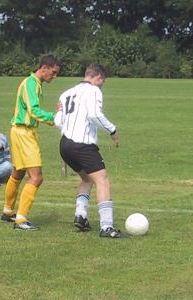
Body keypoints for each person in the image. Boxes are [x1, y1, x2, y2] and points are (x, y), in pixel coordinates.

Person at [54, 63, 123, 238]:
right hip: (82, 144)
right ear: (98, 77)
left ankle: (81, 216)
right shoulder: (93, 91)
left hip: (65, 145)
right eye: (102, 82)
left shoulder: (66, 93)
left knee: (86, 178)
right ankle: (107, 227)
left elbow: (58, 122)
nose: (101, 86)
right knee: (102, 181)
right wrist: (112, 130)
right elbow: (94, 115)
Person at [1, 54, 60, 230]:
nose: (55, 77)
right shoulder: (31, 83)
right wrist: (54, 117)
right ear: (44, 68)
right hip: (24, 133)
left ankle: (8, 212)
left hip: (19, 131)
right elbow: (34, 111)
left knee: (18, 173)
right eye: (54, 72)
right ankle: (21, 219)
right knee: (36, 177)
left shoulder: (35, 83)